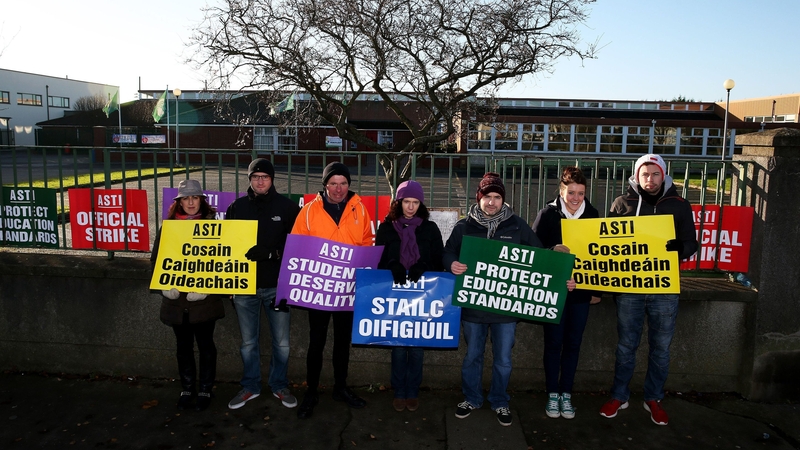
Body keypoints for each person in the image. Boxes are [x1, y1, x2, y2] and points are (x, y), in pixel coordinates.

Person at [599, 154, 698, 426]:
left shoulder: (679, 205)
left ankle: (653, 397)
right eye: (645, 174)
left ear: (663, 175)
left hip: (664, 288)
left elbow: (691, 242)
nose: (650, 179)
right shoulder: (622, 203)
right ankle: (619, 395)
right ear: (636, 176)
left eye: (655, 174)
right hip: (630, 288)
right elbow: (606, 244)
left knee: (661, 347)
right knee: (626, 345)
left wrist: (681, 249)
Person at [444, 172, 547, 427]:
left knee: (503, 359)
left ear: (503, 200)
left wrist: (560, 275)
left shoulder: (517, 225)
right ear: (479, 198)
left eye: (497, 197)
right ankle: (472, 397)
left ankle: (500, 400)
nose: (492, 202)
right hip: (473, 307)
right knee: (472, 356)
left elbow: (541, 257)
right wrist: (452, 264)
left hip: (506, 309)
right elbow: (447, 252)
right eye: (487, 196)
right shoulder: (463, 226)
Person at [291, 161, 375, 419]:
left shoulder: (360, 209)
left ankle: (341, 387)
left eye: (343, 183)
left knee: (342, 342)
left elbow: (368, 244)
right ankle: (311, 391)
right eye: (333, 184)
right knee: (316, 342)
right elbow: (297, 246)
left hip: (347, 289)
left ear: (349, 185)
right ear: (325, 185)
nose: (338, 189)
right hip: (319, 288)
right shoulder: (308, 211)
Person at [225, 158, 301, 410]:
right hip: (244, 287)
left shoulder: (288, 208)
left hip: (277, 286)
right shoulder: (237, 207)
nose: (260, 181)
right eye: (255, 176)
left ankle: (279, 385)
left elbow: (298, 246)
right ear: (249, 179)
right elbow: (227, 247)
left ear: (272, 179)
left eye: (265, 177)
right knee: (248, 343)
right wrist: (228, 284)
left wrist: (271, 254)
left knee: (282, 343)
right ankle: (250, 387)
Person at [531, 166, 601, 420]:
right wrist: (553, 251)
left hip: (581, 294)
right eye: (571, 192)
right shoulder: (548, 215)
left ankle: (566, 394)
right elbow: (534, 252)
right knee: (553, 343)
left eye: (580, 193)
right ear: (561, 191)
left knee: (573, 344)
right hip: (553, 293)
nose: (575, 198)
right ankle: (552, 393)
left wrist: (595, 290)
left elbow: (600, 257)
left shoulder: (592, 215)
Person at [151, 179, 224, 411]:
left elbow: (224, 261)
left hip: (204, 301)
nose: (191, 202)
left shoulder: (214, 225)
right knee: (182, 345)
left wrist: (209, 287)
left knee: (205, 345)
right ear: (179, 202)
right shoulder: (168, 227)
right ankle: (187, 387)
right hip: (177, 299)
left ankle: (205, 388)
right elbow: (156, 259)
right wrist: (163, 283)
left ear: (201, 200)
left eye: (194, 198)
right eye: (186, 198)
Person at [375, 180, 444, 412]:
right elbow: (379, 257)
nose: (411, 207)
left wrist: (423, 264)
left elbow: (439, 259)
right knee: (397, 345)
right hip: (393, 293)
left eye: (415, 202)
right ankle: (399, 389)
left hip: (422, 296)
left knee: (416, 345)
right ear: (399, 202)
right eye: (407, 202)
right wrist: (392, 263)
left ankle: (412, 390)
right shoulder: (386, 227)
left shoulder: (429, 228)